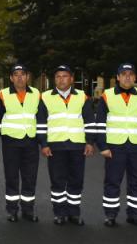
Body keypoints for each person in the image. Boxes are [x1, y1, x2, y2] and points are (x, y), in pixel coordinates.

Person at [95, 63, 137, 228]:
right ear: (118, 77)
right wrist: (103, 146)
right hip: (115, 146)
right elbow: (99, 124)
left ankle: (134, 214)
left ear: (135, 77)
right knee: (113, 181)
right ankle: (111, 215)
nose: (127, 77)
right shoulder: (107, 96)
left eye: (130, 74)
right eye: (124, 74)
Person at [37, 65, 95, 226]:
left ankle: (74, 213)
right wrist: (44, 144)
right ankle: (59, 213)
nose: (61, 79)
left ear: (71, 78)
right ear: (54, 79)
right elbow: (41, 124)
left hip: (77, 145)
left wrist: (90, 142)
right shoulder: (45, 97)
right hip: (55, 146)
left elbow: (89, 122)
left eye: (64, 76)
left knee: (76, 180)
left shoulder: (82, 97)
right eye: (58, 76)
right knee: (57, 181)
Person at [0, 64, 41, 222]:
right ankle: (12, 210)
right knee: (11, 176)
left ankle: (28, 210)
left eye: (23, 74)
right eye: (16, 74)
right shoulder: (3, 94)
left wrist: (42, 141)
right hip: (11, 142)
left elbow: (40, 119)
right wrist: (1, 135)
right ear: (11, 78)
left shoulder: (36, 94)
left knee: (30, 177)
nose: (20, 77)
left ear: (27, 77)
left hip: (31, 142)